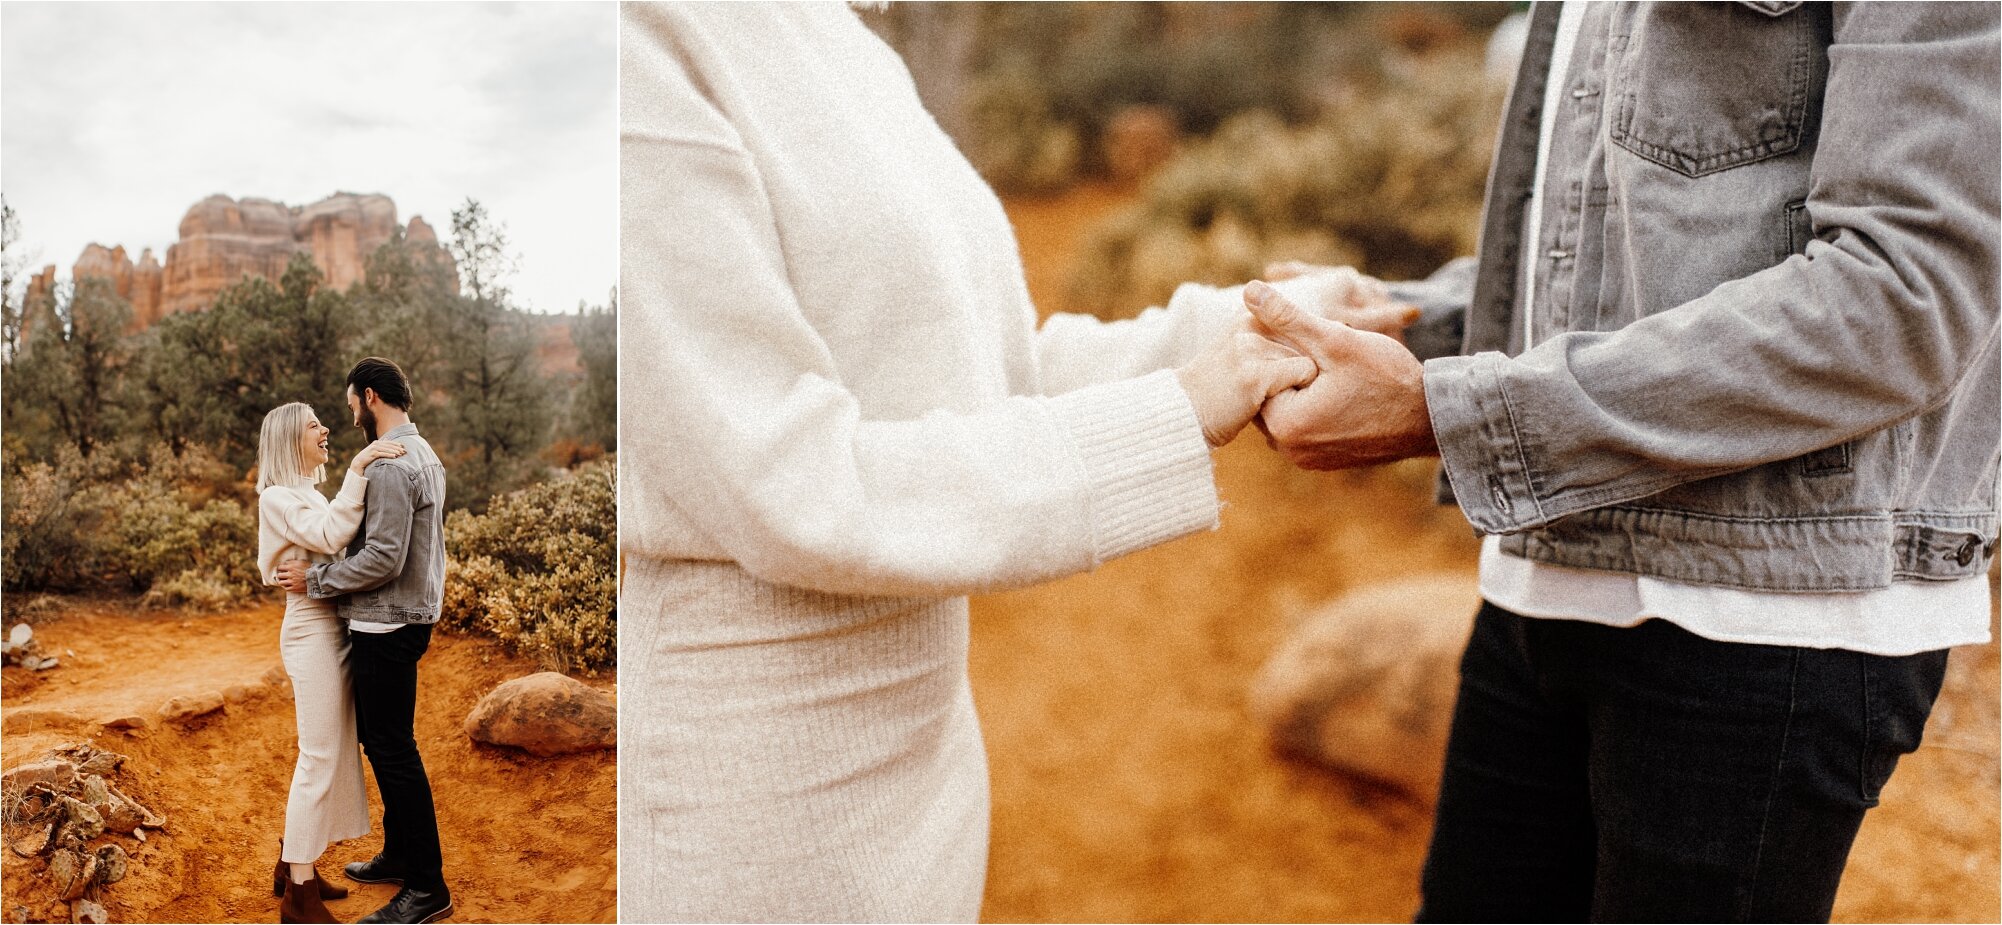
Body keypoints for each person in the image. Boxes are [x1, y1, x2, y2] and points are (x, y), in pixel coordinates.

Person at [617, 3, 1419, 921]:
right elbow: (789, 486)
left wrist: (1254, 325)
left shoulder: (840, 37)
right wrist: (1186, 403)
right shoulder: (638, 45)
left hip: (929, 754)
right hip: (767, 800)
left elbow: (984, 375)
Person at [1246, 3, 2000, 920]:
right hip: (1548, 580)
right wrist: (1410, 320)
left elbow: (1903, 300)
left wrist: (1450, 410)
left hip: (1767, 616)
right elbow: (1620, 235)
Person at [276, 357, 452, 925]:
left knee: (394, 750)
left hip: (387, 622)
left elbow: (383, 558)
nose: (348, 411)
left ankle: (427, 888)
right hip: (402, 617)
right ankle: (402, 855)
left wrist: (316, 579)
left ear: (370, 396)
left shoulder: (392, 466)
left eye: (351, 400)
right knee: (383, 743)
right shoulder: (422, 453)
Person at [257, 402, 407, 924]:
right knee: (318, 757)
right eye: (313, 426)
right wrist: (360, 467)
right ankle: (299, 896)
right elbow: (327, 538)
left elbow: (331, 542)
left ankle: (295, 861)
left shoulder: (308, 493)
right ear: (288, 441)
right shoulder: (277, 497)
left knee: (330, 752)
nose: (325, 431)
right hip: (310, 630)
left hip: (332, 628)